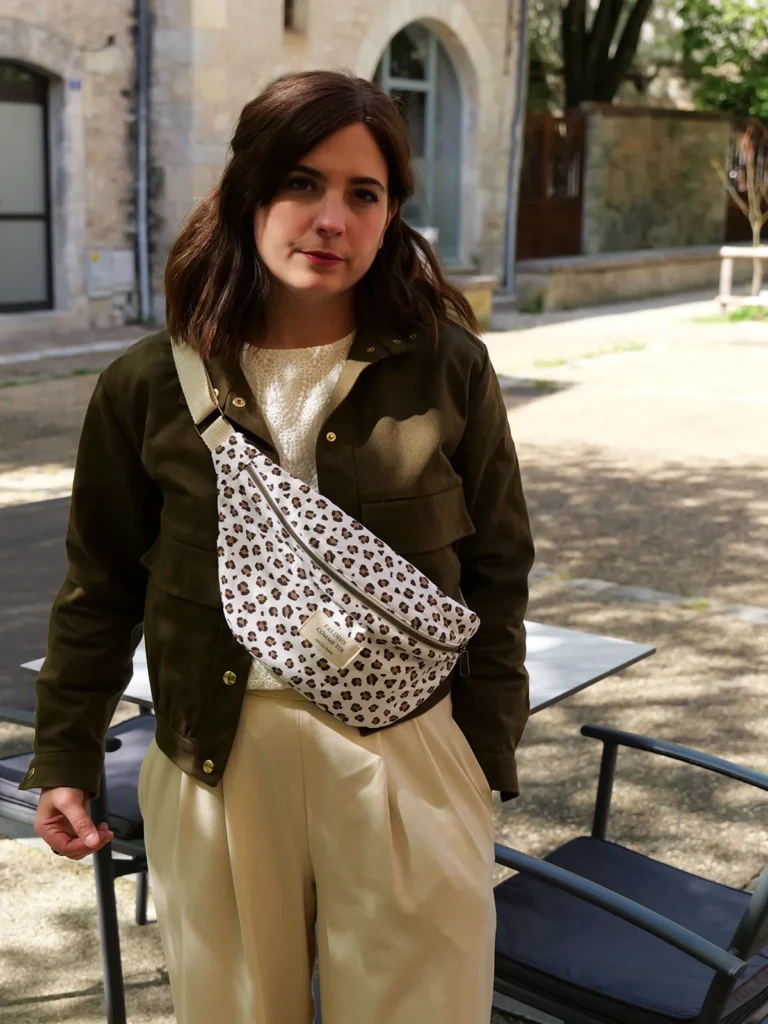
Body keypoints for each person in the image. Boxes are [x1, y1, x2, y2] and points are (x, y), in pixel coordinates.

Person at [20, 70, 535, 1023]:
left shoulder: (448, 367)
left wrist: (480, 753)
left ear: (389, 217)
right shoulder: (146, 384)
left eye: (363, 193)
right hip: (218, 759)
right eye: (301, 182)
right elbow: (100, 587)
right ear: (248, 190)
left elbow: (500, 571)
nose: (331, 218)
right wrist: (66, 754)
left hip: (407, 752)